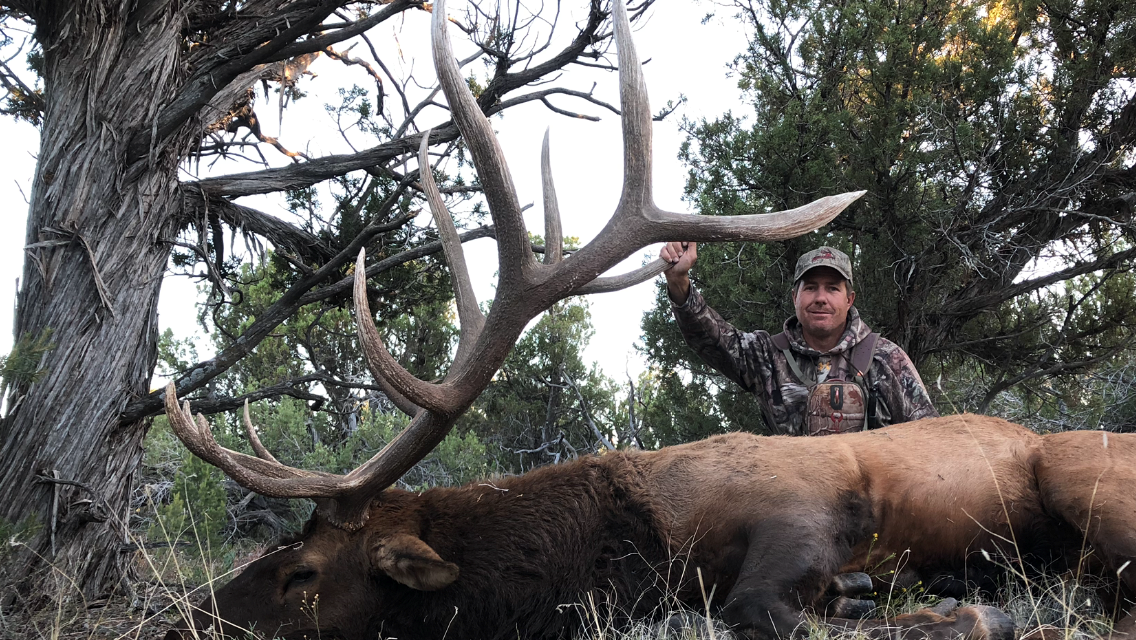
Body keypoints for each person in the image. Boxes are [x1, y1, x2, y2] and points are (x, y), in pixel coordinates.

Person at [661, 242, 937, 436]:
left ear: (849, 299)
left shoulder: (886, 358)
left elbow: (928, 437)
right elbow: (711, 338)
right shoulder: (767, 355)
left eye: (832, 288)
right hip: (792, 499)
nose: (821, 298)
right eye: (811, 288)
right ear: (795, 297)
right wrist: (678, 282)